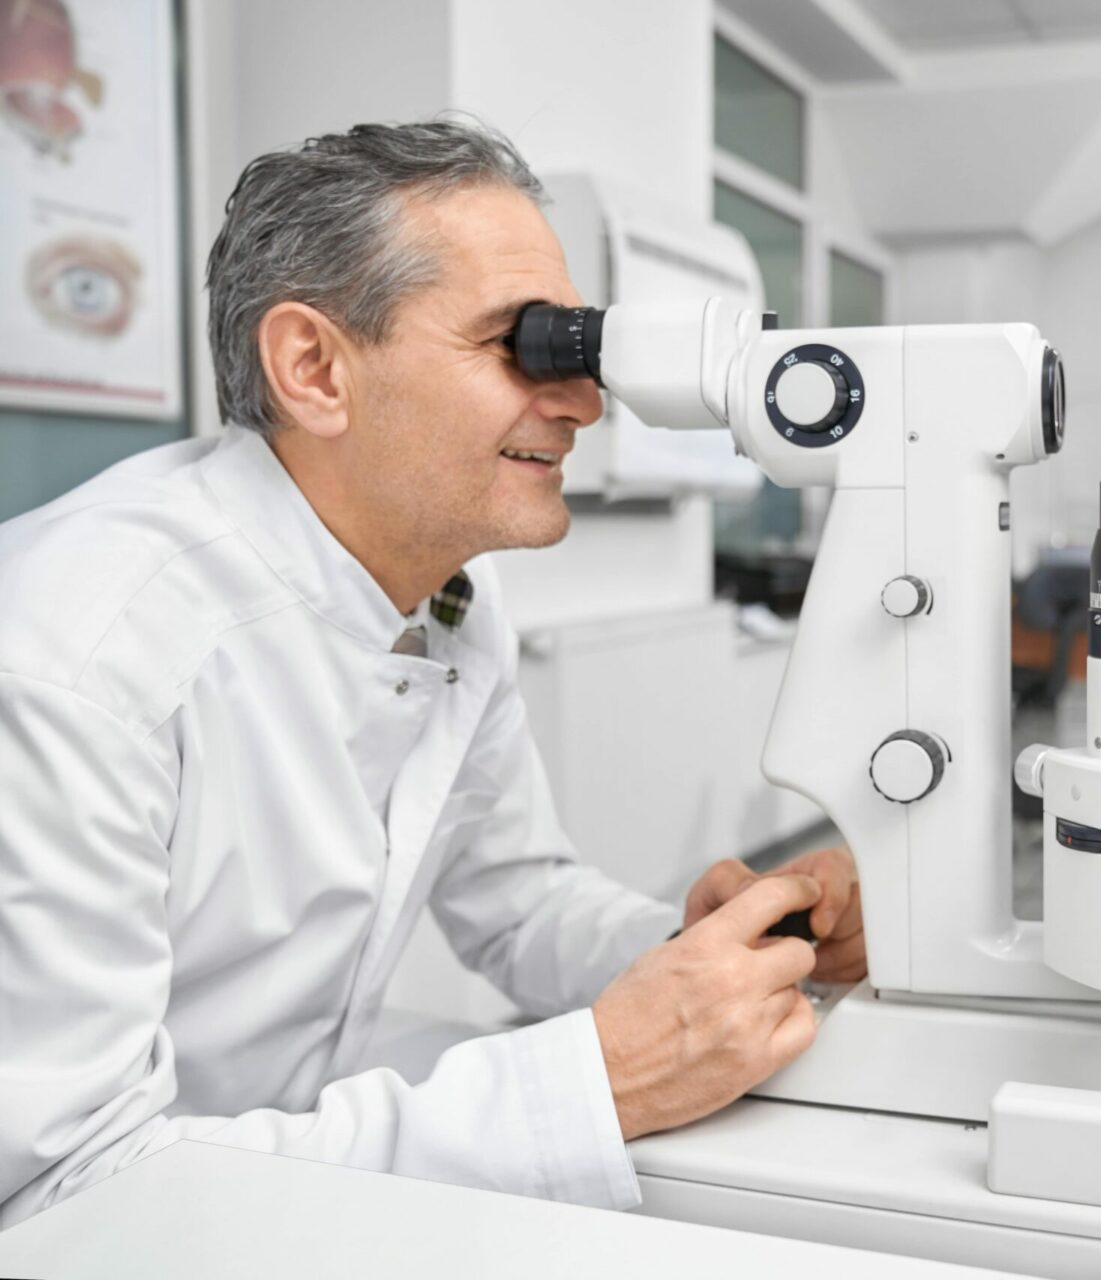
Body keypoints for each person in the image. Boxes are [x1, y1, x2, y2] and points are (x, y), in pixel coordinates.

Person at [0, 118, 866, 1227]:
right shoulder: (79, 656)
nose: (583, 401)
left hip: (266, 1178)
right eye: (523, 345)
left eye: (574, 349)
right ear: (315, 368)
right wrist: (591, 1084)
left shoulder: (446, 593)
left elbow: (514, 897)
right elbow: (64, 1195)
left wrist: (705, 957)